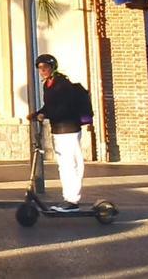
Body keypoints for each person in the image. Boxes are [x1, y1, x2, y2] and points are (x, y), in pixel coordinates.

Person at [28, 54, 91, 212]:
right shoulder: (47, 85)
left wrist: (46, 115)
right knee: (63, 165)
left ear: (52, 67)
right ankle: (67, 198)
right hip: (58, 129)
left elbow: (64, 108)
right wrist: (36, 114)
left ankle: (73, 200)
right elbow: (49, 106)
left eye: (45, 68)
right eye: (40, 68)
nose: (42, 71)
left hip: (69, 128)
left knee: (72, 163)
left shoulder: (62, 84)